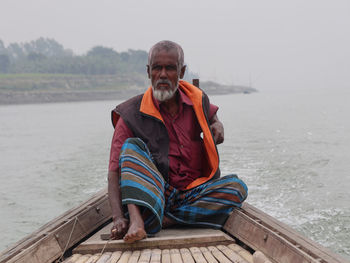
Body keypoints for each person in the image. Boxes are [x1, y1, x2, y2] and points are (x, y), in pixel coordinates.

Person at [108, 40, 248, 243]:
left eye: (170, 68)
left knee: (237, 188)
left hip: (192, 193)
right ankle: (137, 220)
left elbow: (212, 116)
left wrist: (218, 123)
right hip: (153, 194)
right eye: (157, 68)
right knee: (130, 148)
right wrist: (118, 217)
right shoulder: (130, 113)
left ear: (181, 72)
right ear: (149, 72)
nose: (163, 75)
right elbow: (114, 171)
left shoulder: (195, 100)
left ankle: (164, 221)